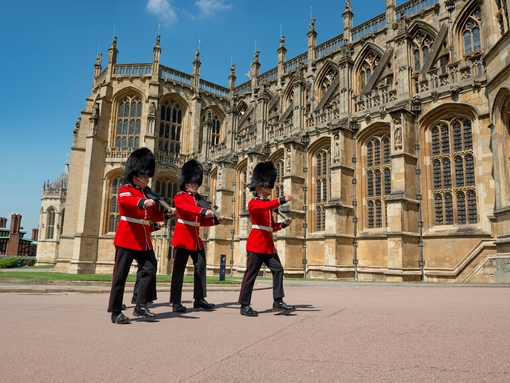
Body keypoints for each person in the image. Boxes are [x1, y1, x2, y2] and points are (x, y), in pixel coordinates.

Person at [108, 147, 176, 324]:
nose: (147, 177)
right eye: (144, 175)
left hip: (144, 240)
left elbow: (153, 216)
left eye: (148, 175)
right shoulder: (126, 189)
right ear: (135, 174)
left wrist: (166, 215)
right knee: (120, 276)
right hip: (127, 237)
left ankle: (140, 305)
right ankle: (115, 311)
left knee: (150, 268)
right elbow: (125, 200)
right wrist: (142, 202)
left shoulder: (148, 193)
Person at [238, 161, 295, 317]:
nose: (270, 189)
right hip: (256, 245)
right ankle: (244, 305)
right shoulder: (253, 204)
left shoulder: (267, 206)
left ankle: (278, 301)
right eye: (268, 187)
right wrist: (282, 200)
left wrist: (283, 225)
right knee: (251, 275)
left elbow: (270, 227)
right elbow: (265, 207)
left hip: (268, 246)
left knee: (278, 270)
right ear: (259, 188)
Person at [170, 159, 224, 313]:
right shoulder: (180, 196)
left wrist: (215, 220)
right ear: (186, 183)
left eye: (196, 183)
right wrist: (202, 211)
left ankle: (199, 299)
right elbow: (184, 208)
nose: (196, 186)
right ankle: (175, 301)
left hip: (195, 240)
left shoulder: (197, 200)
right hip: (182, 238)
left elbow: (199, 222)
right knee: (178, 270)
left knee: (200, 266)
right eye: (193, 183)